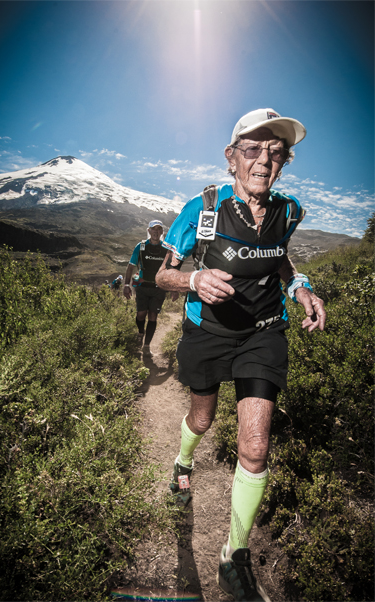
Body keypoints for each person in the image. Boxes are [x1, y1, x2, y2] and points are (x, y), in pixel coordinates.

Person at [155, 108, 326, 602]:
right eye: (252, 150)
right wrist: (193, 279)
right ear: (231, 159)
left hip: (263, 332)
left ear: (284, 163)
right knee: (202, 418)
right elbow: (163, 274)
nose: (263, 161)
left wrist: (301, 288)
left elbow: (281, 255)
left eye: (276, 153)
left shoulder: (288, 211)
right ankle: (183, 462)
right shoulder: (203, 209)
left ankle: (234, 555)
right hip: (207, 332)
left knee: (255, 444)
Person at [123, 220, 178, 355]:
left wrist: (174, 288)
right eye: (153, 229)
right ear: (149, 231)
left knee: (153, 316)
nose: (156, 232)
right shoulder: (141, 246)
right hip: (142, 287)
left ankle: (147, 346)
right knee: (141, 314)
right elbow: (131, 266)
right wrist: (126, 284)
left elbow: (171, 269)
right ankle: (141, 332)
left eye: (159, 229)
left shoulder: (166, 249)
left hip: (159, 288)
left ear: (161, 232)